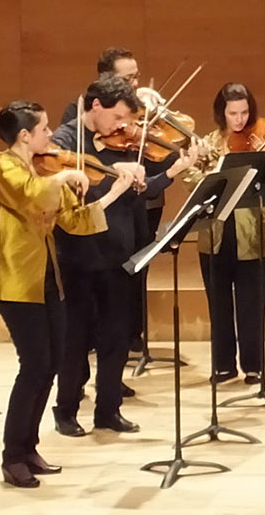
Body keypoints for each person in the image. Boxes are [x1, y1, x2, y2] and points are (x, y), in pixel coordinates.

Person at [0, 102, 134, 487]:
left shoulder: (43, 169)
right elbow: (31, 195)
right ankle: (12, 455)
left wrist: (114, 192)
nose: (51, 136)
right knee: (34, 365)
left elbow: (75, 221)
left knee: (49, 364)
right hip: (16, 281)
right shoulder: (2, 165)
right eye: (45, 129)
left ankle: (28, 448)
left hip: (48, 278)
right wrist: (66, 174)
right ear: (24, 136)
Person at [51, 75, 198, 436]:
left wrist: (172, 172)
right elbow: (73, 193)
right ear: (95, 106)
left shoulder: (121, 142)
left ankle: (108, 410)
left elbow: (136, 194)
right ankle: (65, 410)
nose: (122, 126)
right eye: (117, 117)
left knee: (116, 336)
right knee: (76, 339)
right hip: (79, 255)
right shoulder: (65, 141)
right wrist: (112, 178)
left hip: (119, 252)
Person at [185, 83, 265, 384]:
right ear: (221, 113)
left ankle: (254, 366)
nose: (239, 119)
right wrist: (207, 174)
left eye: (245, 112)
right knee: (219, 305)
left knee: (252, 304)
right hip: (215, 234)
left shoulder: (260, 140)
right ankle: (223, 365)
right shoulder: (208, 144)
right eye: (233, 113)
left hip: (251, 234)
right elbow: (190, 179)